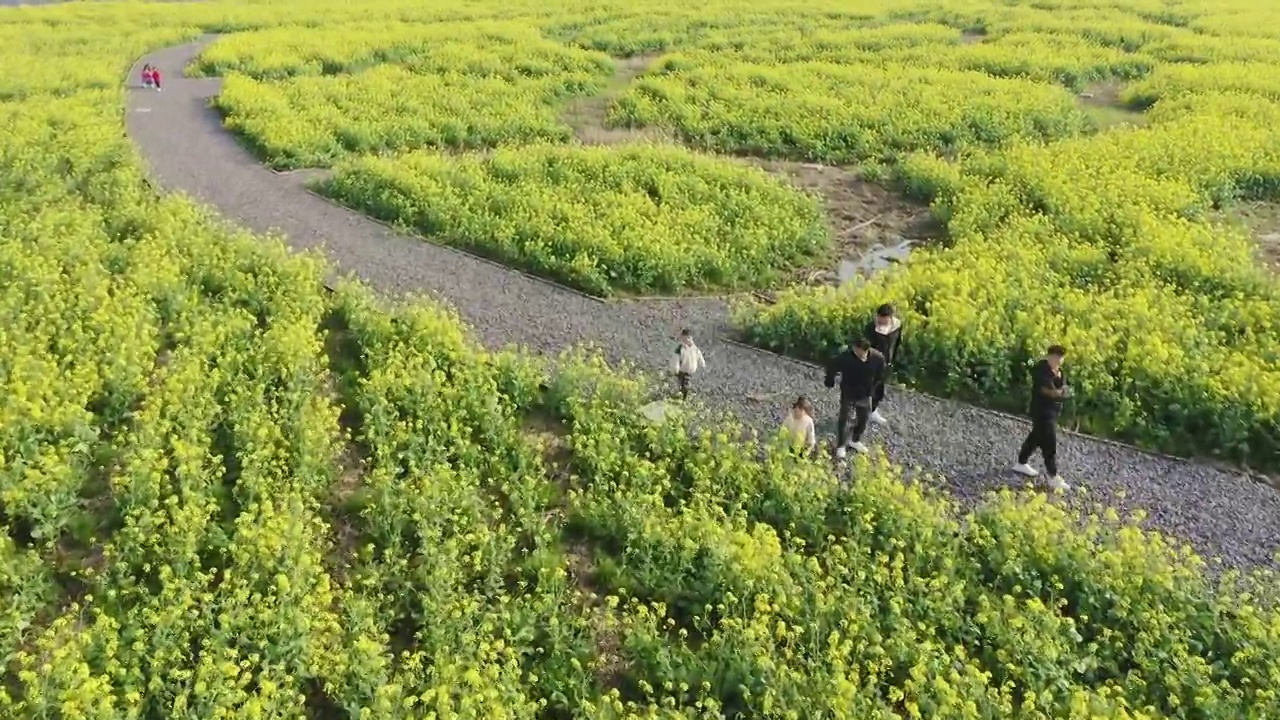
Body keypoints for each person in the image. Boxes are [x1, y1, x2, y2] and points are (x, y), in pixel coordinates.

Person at [1013, 344, 1070, 491]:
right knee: (1049, 443)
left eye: (1061, 358)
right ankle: (1053, 476)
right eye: (1057, 357)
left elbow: (1063, 389)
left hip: (1052, 411)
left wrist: (1062, 391)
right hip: (1041, 411)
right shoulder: (1040, 370)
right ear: (1049, 356)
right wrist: (1060, 393)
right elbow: (1048, 391)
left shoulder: (1060, 372)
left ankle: (1021, 462)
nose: (1059, 361)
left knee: (1036, 437)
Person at [824, 336, 886, 459]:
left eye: (859, 351)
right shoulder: (846, 357)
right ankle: (841, 445)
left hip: (865, 393)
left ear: (866, 350)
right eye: (855, 349)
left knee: (864, 418)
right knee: (844, 418)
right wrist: (829, 380)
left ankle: (855, 440)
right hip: (848, 392)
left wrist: (875, 388)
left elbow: (881, 374)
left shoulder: (877, 358)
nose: (856, 352)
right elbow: (832, 366)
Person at [863, 303, 902, 426]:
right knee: (865, 388)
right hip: (870, 363)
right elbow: (865, 345)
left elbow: (896, 343)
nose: (880, 321)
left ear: (890, 318)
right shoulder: (871, 327)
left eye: (883, 319)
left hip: (885, 363)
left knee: (879, 389)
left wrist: (893, 360)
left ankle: (873, 411)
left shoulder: (896, 327)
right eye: (879, 318)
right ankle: (860, 411)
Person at [670, 328, 706, 400]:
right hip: (682, 370)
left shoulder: (695, 348)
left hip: (691, 370)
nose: (687, 340)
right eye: (685, 338)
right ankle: (683, 397)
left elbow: (699, 356)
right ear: (682, 338)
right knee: (684, 385)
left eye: (689, 338)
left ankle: (683, 396)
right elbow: (676, 359)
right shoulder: (680, 349)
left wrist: (702, 363)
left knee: (686, 384)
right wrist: (675, 369)